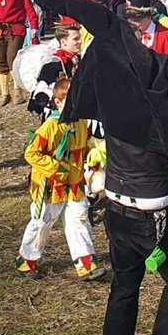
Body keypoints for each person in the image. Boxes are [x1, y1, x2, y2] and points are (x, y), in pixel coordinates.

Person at [33, 0, 168, 335]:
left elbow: (99, 20)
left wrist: (49, 0)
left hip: (115, 206)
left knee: (125, 284)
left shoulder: (110, 97)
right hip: (154, 212)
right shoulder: (162, 101)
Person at [15, 78, 107, 281]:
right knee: (42, 221)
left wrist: (95, 156)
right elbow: (32, 153)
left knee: (79, 220)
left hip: (74, 184)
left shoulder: (81, 123)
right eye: (70, 101)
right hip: (50, 185)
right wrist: (57, 168)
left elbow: (86, 145)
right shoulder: (50, 127)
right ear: (58, 102)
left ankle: (85, 263)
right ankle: (26, 259)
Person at [28, 25, 83, 119]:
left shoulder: (79, 59)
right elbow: (40, 98)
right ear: (63, 42)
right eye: (75, 39)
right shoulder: (52, 66)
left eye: (79, 38)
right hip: (57, 116)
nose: (80, 41)